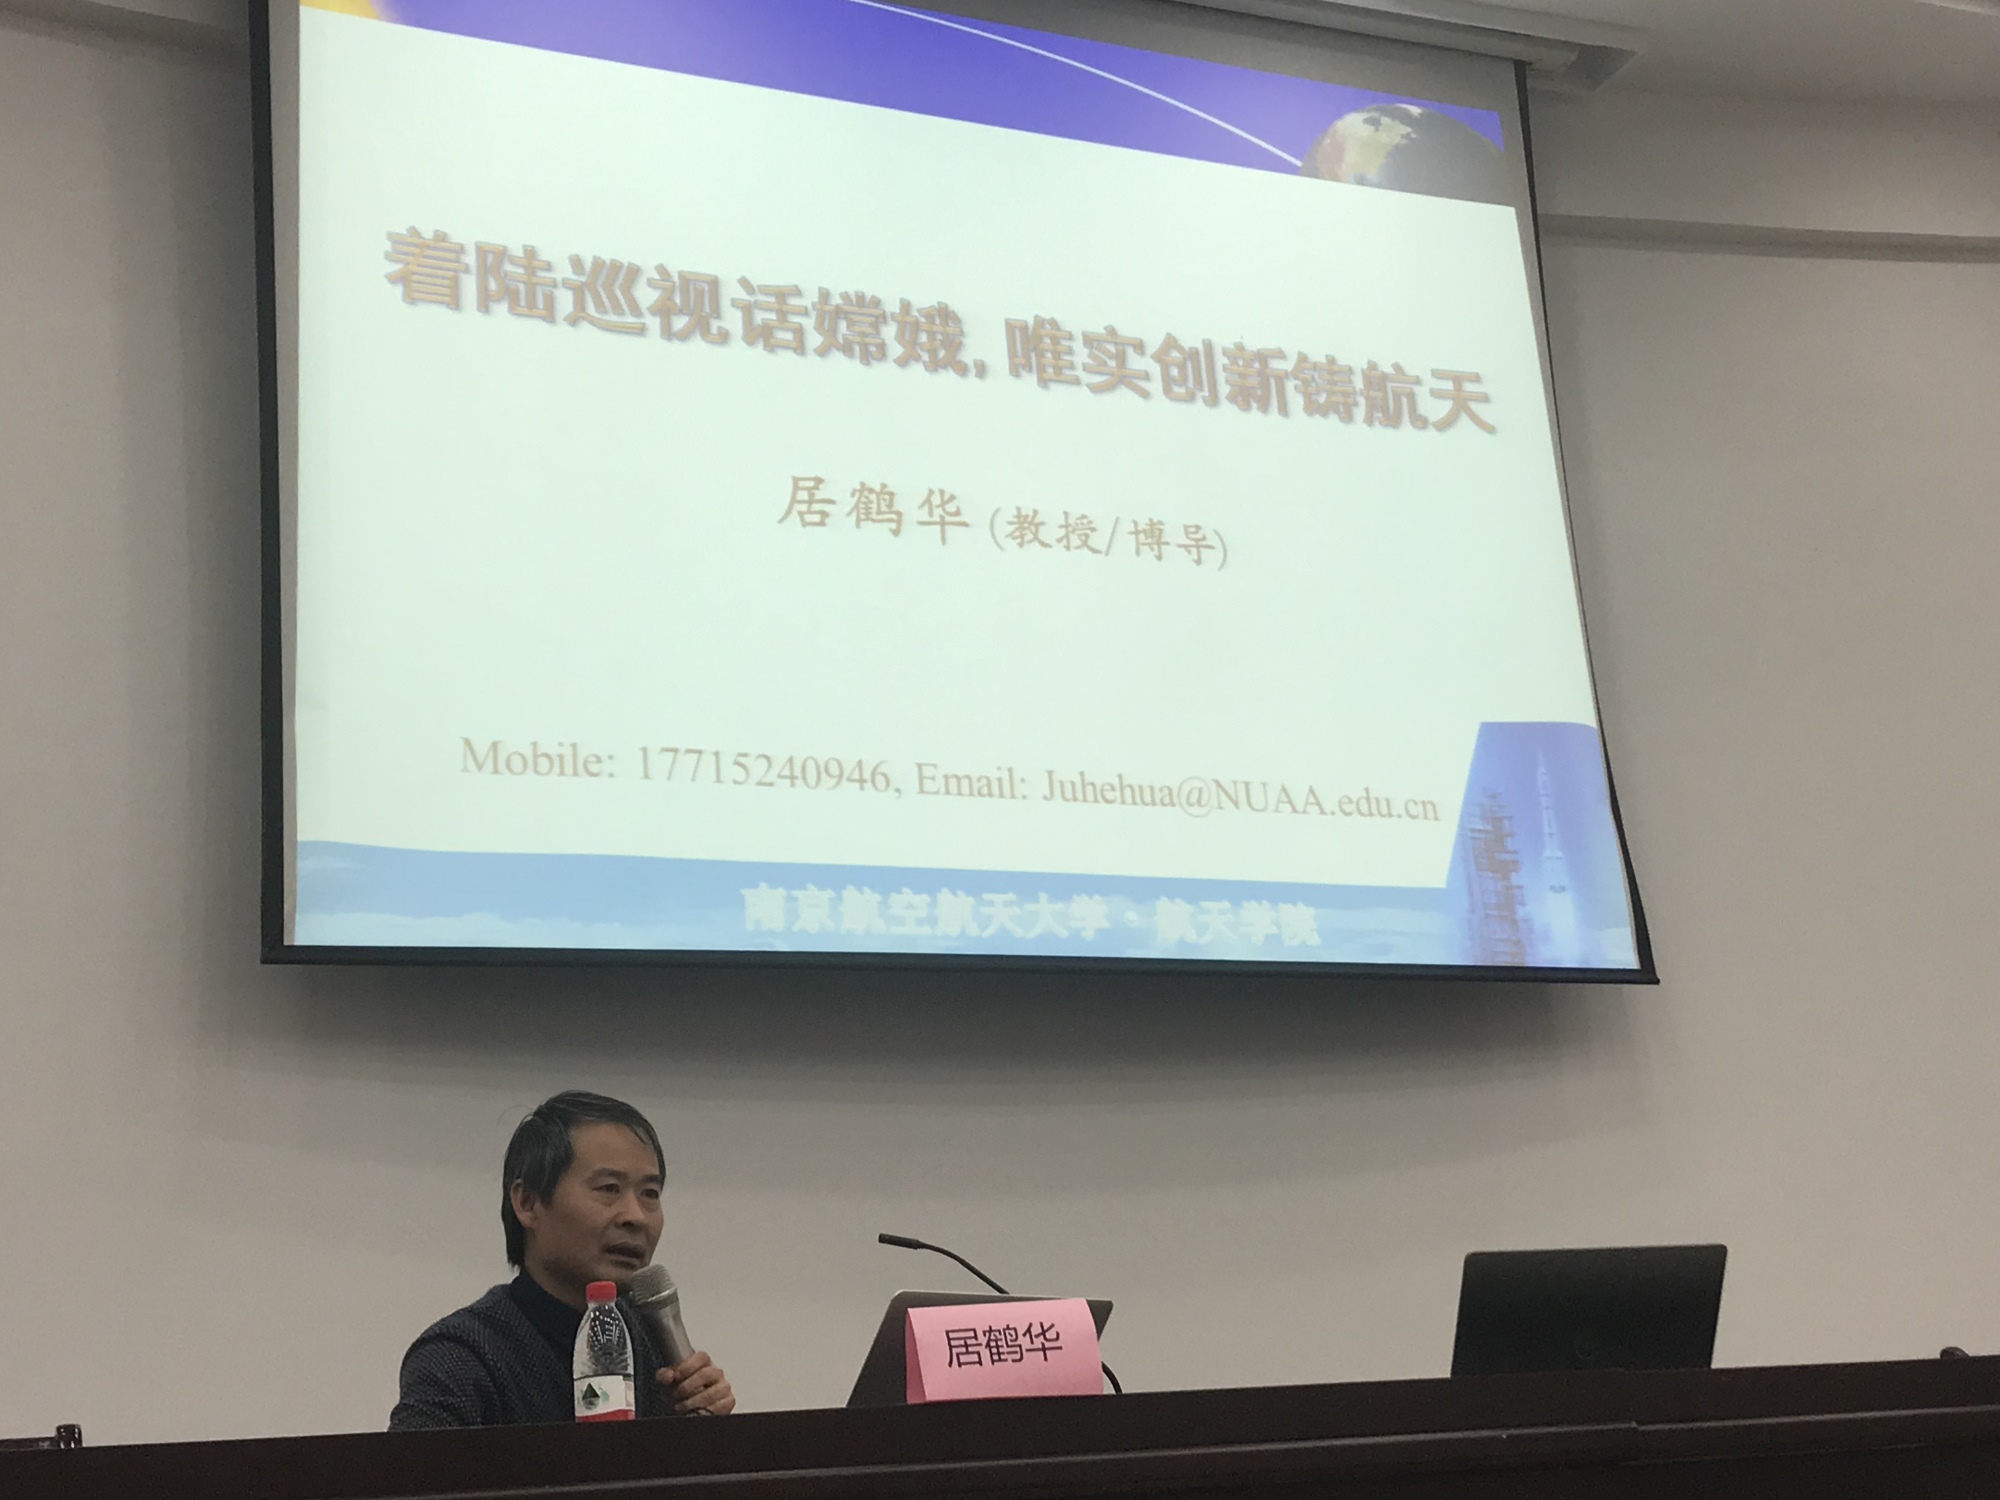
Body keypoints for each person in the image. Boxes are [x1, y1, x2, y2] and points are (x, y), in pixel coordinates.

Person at [390, 1091, 736, 1429]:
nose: (636, 1216)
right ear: (528, 1203)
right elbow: (406, 1470)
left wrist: (698, 1431)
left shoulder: (650, 1342)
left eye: (650, 1194)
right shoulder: (460, 1357)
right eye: (609, 1188)